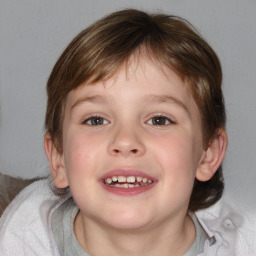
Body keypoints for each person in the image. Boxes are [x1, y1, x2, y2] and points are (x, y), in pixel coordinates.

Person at [0, 8, 255, 256]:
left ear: (207, 154)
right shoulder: (19, 239)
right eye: (96, 120)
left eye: (159, 120)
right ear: (58, 157)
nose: (125, 141)